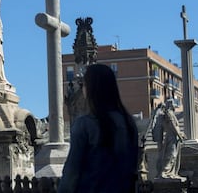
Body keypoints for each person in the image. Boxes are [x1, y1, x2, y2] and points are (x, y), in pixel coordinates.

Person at [58, 64, 139, 193]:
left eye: (84, 84)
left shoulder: (84, 124)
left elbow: (71, 173)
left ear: (91, 89)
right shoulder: (129, 124)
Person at [152, 99, 185, 179]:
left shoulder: (171, 113)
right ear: (170, 105)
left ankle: (171, 172)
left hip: (174, 137)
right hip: (171, 137)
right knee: (171, 155)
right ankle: (165, 172)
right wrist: (180, 136)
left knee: (174, 155)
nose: (174, 105)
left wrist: (180, 134)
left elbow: (176, 126)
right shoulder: (168, 113)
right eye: (173, 103)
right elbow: (173, 126)